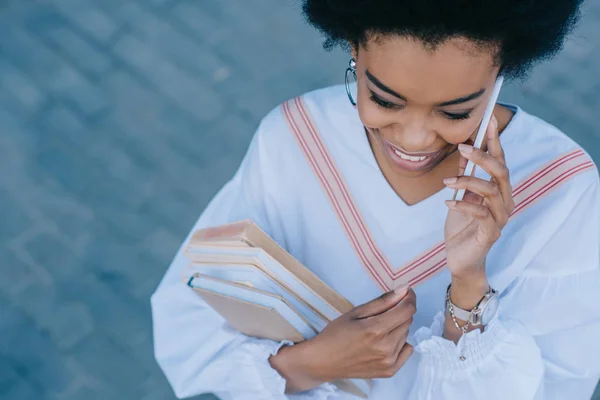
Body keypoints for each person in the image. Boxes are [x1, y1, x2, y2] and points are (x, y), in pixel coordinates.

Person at [151, 0, 600, 398]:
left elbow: (560, 381)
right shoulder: (296, 137)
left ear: (503, 71)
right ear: (352, 47)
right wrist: (314, 364)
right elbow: (197, 309)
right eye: (384, 100)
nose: (415, 138)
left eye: (457, 112)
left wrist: (468, 286)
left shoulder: (559, 190)